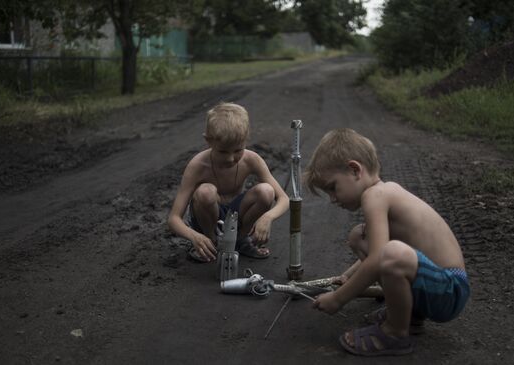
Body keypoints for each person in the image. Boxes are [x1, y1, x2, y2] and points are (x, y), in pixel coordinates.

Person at [304, 128, 469, 356]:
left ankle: (394, 332)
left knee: (391, 253)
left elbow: (379, 257)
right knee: (359, 236)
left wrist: (338, 299)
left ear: (355, 170)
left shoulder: (376, 196)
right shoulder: (383, 193)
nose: (333, 199)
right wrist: (348, 276)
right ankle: (408, 315)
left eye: (333, 187)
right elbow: (375, 252)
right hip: (434, 284)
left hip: (450, 289)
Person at [167, 102, 289, 263]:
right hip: (206, 219)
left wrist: (267, 217)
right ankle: (210, 243)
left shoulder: (251, 159)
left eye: (238, 150)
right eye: (223, 151)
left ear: (246, 139)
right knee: (205, 191)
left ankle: (241, 239)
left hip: (237, 217)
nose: (231, 158)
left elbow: (284, 199)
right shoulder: (197, 165)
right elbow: (174, 218)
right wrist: (194, 236)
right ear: (208, 141)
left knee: (266, 191)